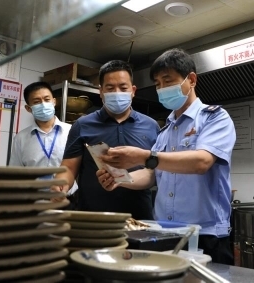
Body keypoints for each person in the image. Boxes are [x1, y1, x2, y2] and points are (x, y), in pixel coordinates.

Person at [97, 48, 236, 265]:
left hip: (206, 235)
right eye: (158, 84)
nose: (162, 89)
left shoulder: (214, 118)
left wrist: (143, 156)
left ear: (191, 79)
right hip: (165, 233)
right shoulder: (165, 130)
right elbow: (153, 173)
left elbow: (202, 162)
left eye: (168, 81)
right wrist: (120, 179)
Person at [51, 60, 159, 220]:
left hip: (140, 219)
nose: (117, 93)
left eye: (123, 88)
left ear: (133, 90)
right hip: (93, 219)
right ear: (100, 91)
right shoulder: (82, 125)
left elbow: (156, 171)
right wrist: (61, 184)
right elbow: (68, 167)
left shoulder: (151, 126)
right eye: (110, 88)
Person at [9, 81, 78, 198]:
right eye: (37, 102)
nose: (43, 104)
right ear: (28, 108)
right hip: (34, 200)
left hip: (68, 197)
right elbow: (16, 174)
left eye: (47, 99)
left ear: (54, 102)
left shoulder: (72, 132)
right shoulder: (21, 138)